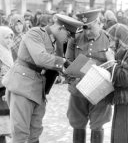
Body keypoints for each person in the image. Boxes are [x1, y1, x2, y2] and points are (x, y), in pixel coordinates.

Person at [2, 14, 83, 143]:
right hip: (22, 87)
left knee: (35, 133)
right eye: (68, 35)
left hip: (39, 91)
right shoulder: (35, 33)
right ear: (61, 28)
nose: (68, 40)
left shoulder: (57, 45)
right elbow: (40, 58)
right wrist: (63, 61)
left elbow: (56, 67)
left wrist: (72, 74)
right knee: (21, 133)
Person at [65, 9, 112, 143]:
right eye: (84, 29)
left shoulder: (109, 39)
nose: (86, 32)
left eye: (90, 28)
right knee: (77, 122)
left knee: (98, 122)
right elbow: (68, 61)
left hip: (100, 90)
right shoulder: (75, 38)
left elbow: (113, 64)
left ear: (99, 23)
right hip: (78, 87)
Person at [0, 26, 14, 143]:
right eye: (6, 38)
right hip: (1, 94)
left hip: (6, 93)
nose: (9, 40)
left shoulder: (6, 52)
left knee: (3, 129)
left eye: (11, 37)